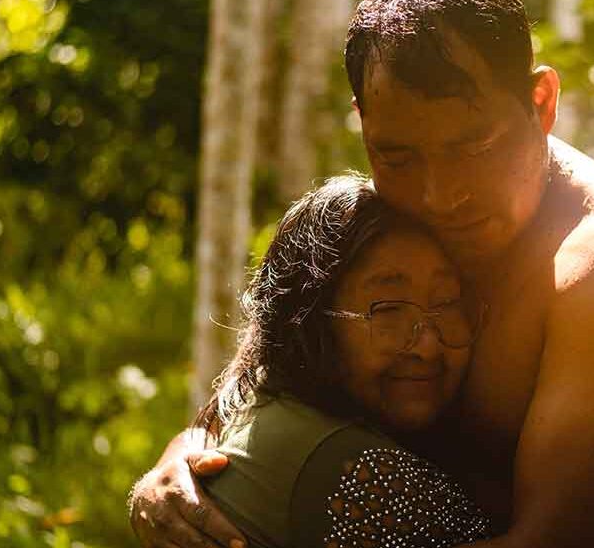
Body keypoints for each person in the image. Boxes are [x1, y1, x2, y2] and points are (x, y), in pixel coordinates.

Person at [130, 0, 594, 547]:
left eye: (474, 148)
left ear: (541, 101)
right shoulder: (409, 229)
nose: (439, 195)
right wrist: (180, 461)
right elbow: (276, 369)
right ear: (364, 123)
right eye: (396, 155)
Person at [192, 175, 491, 547]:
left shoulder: (263, 406)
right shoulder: (367, 474)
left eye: (446, 302)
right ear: (311, 319)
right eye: (389, 311)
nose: (426, 346)